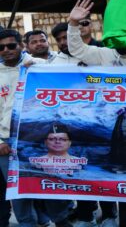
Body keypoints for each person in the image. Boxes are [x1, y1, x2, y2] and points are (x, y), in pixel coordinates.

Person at [0, 30, 73, 227]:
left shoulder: (40, 65)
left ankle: (61, 220)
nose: (6, 50)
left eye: (11, 45)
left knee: (48, 183)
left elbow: (69, 78)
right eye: (1, 47)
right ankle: (27, 223)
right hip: (6, 143)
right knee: (17, 190)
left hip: (38, 138)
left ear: (21, 45)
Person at [67, 0, 126, 66]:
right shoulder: (104, 54)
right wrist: (73, 22)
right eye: (117, 31)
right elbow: (77, 49)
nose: (121, 36)